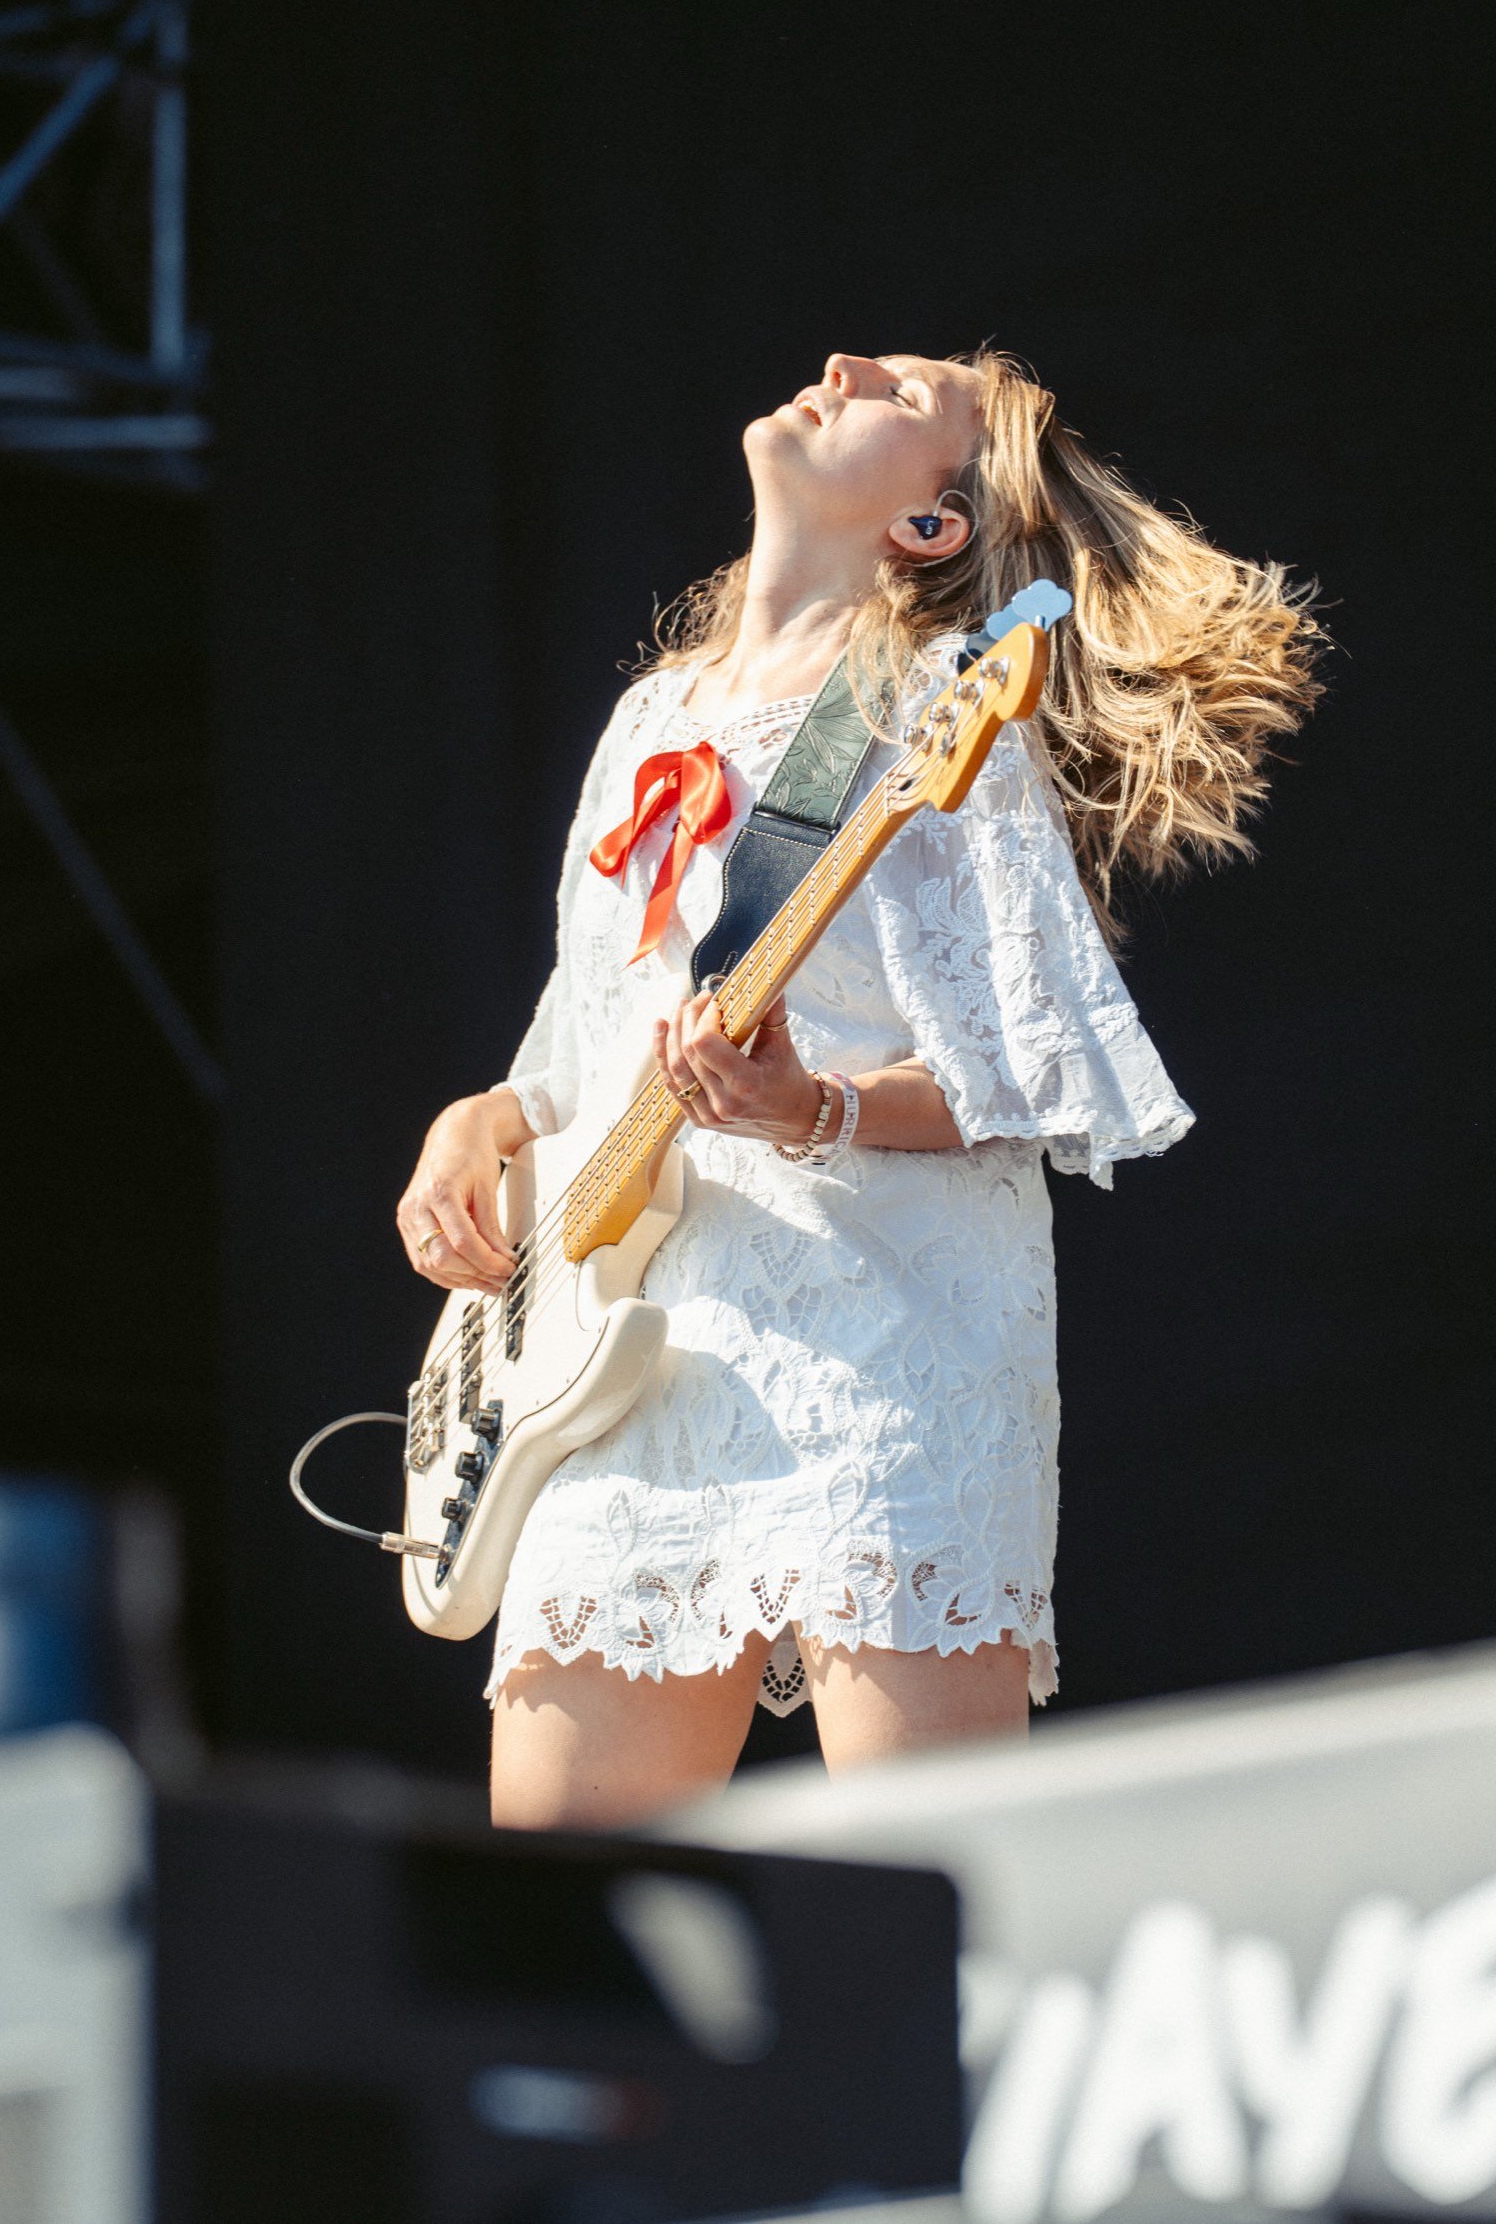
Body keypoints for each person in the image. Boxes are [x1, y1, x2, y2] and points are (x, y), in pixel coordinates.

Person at [398, 349, 1322, 1830]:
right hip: (611, 1380)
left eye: (899, 390)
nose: (836, 368)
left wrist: (809, 1106)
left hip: (883, 1349)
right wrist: (484, 1120)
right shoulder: (651, 717)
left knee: (927, 1903)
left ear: (932, 525)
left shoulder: (946, 712)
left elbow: (1048, 1075)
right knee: (556, 1937)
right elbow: (584, 1042)